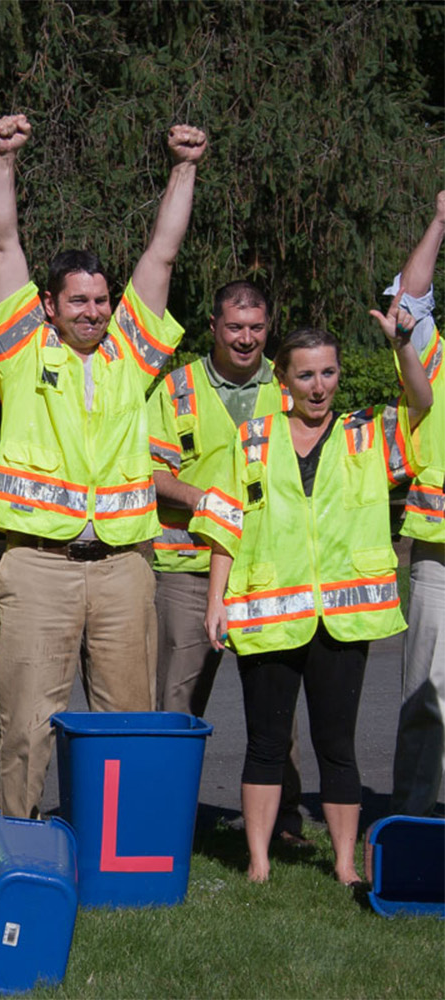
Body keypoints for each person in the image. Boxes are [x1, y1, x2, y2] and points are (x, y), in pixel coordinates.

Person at [0, 114, 207, 819]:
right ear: (49, 304)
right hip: (38, 565)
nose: (94, 311)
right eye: (79, 300)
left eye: (102, 300)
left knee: (124, 720)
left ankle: (116, 851)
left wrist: (184, 167)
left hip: (124, 567)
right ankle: (21, 844)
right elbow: (2, 239)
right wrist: (2, 159)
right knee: (26, 725)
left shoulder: (132, 351)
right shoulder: (21, 348)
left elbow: (161, 255)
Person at [196, 312, 431, 883]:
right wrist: (215, 600)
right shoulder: (250, 440)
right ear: (284, 382)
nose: (319, 386)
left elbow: (421, 403)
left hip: (343, 619)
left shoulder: (366, 434)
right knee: (266, 742)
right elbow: (225, 522)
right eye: (306, 376)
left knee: (336, 744)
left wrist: (402, 347)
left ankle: (347, 866)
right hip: (268, 614)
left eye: (328, 373)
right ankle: (258, 865)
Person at [148, 282, 310, 846]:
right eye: (235, 327)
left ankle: (283, 820)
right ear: (213, 327)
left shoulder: (289, 385)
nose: (246, 338)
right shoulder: (177, 389)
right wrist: (200, 499)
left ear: (269, 329)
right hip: (188, 569)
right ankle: (164, 820)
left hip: (266, 573)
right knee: (177, 701)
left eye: (257, 328)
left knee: (277, 705)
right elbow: (148, 471)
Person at [388, 190, 445, 817]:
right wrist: (439, 221)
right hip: (440, 558)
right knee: (427, 697)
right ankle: (412, 819)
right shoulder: (433, 357)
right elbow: (408, 298)